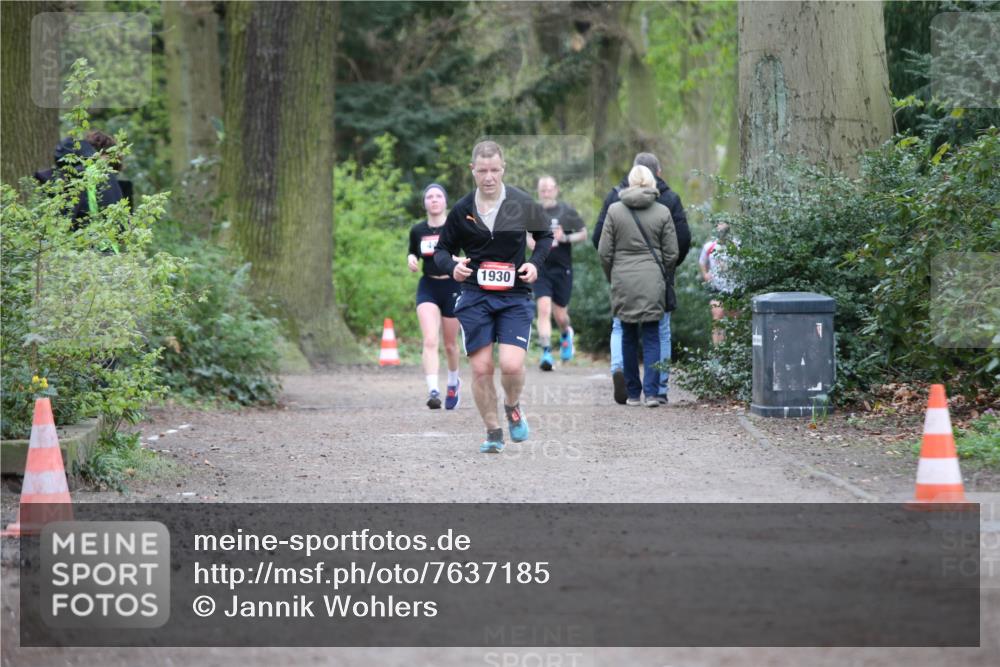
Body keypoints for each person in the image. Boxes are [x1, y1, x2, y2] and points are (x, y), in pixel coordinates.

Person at [433, 141, 553, 453]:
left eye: (495, 170)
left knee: (512, 366)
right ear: (473, 170)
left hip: (514, 296)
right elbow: (441, 250)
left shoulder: (521, 202)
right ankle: (493, 430)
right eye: (483, 170)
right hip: (475, 296)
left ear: (503, 170)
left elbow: (545, 237)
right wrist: (452, 268)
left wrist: (534, 264)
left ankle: (512, 406)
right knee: (482, 368)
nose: (489, 177)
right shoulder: (462, 210)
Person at [592, 152, 689, 405]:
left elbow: (603, 250)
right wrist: (662, 273)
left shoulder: (614, 210)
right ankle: (653, 393)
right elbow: (672, 252)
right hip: (653, 281)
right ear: (654, 179)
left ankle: (633, 394)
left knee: (627, 333)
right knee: (653, 334)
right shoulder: (662, 211)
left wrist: (612, 274)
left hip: (622, 280)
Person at [407, 183, 462, 409]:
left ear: (445, 201)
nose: (434, 200)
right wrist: (411, 258)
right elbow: (412, 251)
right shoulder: (418, 230)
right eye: (429, 196)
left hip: (452, 285)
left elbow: (470, 254)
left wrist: (458, 261)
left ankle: (452, 382)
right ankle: (433, 391)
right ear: (425, 203)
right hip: (428, 285)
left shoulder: (455, 228)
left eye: (439, 196)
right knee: (430, 339)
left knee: (450, 344)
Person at [527, 175, 586, 371]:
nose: (545, 192)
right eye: (542, 189)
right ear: (538, 191)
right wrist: (533, 244)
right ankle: (546, 353)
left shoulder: (566, 211)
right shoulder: (533, 212)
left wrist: (565, 238)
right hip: (541, 268)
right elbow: (527, 236)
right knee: (543, 309)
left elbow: (583, 233)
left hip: (562, 268)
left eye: (549, 189)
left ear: (556, 190)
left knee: (560, 316)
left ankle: (565, 333)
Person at [698, 222, 738, 345]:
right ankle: (718, 351)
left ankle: (734, 352)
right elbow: (702, 261)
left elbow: (743, 263)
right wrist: (705, 274)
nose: (721, 232)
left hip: (734, 288)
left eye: (724, 229)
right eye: (719, 229)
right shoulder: (709, 246)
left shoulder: (736, 245)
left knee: (735, 320)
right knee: (717, 317)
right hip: (716, 288)